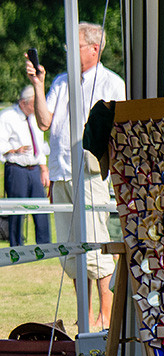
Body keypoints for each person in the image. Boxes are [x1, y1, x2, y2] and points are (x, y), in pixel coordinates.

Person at [26, 22, 125, 332]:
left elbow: (118, 129)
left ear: (93, 50)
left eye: (74, 46)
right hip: (61, 174)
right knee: (71, 252)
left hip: (91, 175)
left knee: (96, 249)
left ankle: (105, 317)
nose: (68, 51)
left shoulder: (112, 82)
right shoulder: (60, 81)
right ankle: (84, 315)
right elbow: (44, 122)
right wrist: (39, 85)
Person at [0, 86, 51, 247]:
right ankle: (16, 244)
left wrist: (44, 169)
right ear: (24, 102)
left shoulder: (36, 118)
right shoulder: (8, 116)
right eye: (33, 104)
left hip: (34, 169)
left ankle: (44, 244)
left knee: (41, 207)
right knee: (16, 208)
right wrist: (13, 150)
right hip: (17, 168)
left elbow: (41, 145)